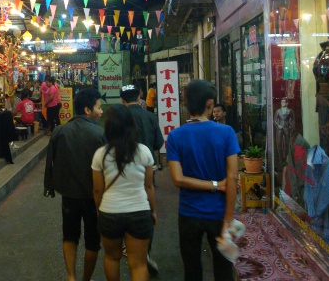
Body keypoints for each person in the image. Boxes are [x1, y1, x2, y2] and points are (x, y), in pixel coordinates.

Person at [167, 79, 240, 281]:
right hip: (219, 214)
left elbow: (178, 179)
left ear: (186, 104)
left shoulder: (175, 136)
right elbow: (232, 177)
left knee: (192, 271)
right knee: (223, 271)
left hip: (188, 214)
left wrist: (214, 185)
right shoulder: (226, 133)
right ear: (209, 104)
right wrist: (228, 219)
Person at [44, 89, 106, 281]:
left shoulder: (60, 131)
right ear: (88, 110)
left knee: (69, 236)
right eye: (98, 107)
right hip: (93, 197)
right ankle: (85, 279)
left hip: (69, 195)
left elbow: (49, 162)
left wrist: (49, 186)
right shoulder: (100, 134)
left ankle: (71, 277)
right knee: (92, 241)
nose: (101, 111)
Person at [92, 104, 156, 281]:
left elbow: (98, 189)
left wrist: (99, 210)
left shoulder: (100, 154)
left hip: (110, 212)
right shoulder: (143, 151)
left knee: (112, 258)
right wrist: (153, 211)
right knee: (139, 263)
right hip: (139, 211)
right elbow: (149, 186)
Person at [120, 84, 163, 275]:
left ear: (122, 99)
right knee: (145, 211)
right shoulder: (150, 116)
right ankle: (144, 251)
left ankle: (127, 247)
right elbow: (158, 143)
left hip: (120, 172)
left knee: (123, 210)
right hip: (145, 172)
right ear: (139, 96)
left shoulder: (118, 117)